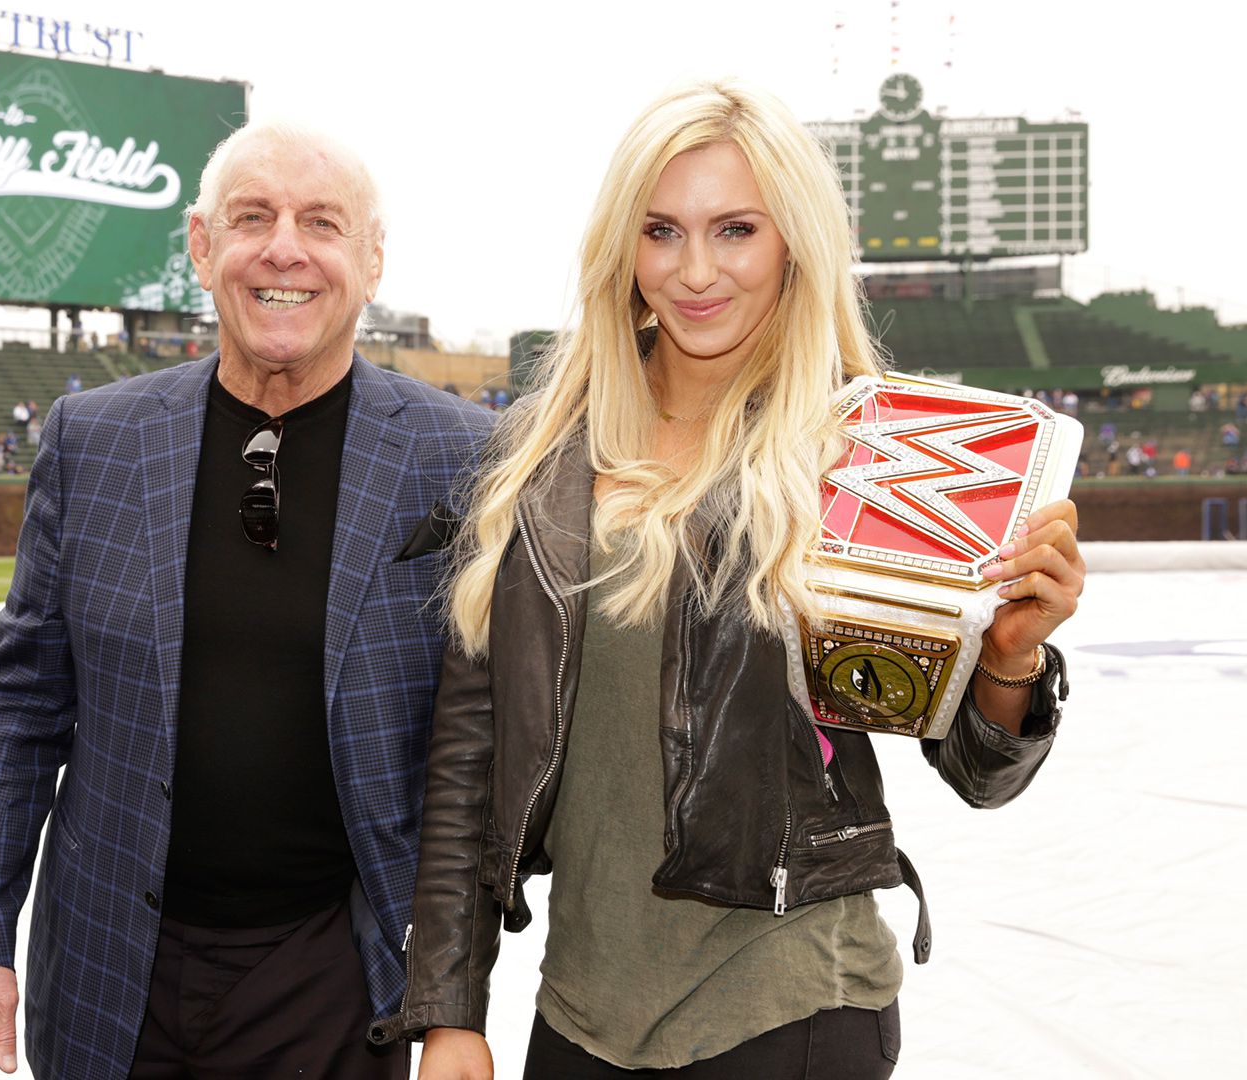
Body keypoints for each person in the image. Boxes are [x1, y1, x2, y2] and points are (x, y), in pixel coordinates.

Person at [383, 81, 1085, 1079]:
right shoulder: (541, 455)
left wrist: (1007, 659)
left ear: (793, 243)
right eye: (662, 231)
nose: (697, 270)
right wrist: (451, 1008)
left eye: (736, 230)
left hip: (790, 1008)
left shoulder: (868, 453)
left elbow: (979, 772)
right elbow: (471, 748)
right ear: (625, 250)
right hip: (581, 1011)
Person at [0, 119, 494, 1080]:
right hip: (110, 968)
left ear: (372, 259)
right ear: (201, 244)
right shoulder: (92, 441)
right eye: (252, 217)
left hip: (334, 976)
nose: (285, 249)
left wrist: (453, 1005)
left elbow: (476, 760)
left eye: (322, 222)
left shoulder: (465, 456)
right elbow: (19, 708)